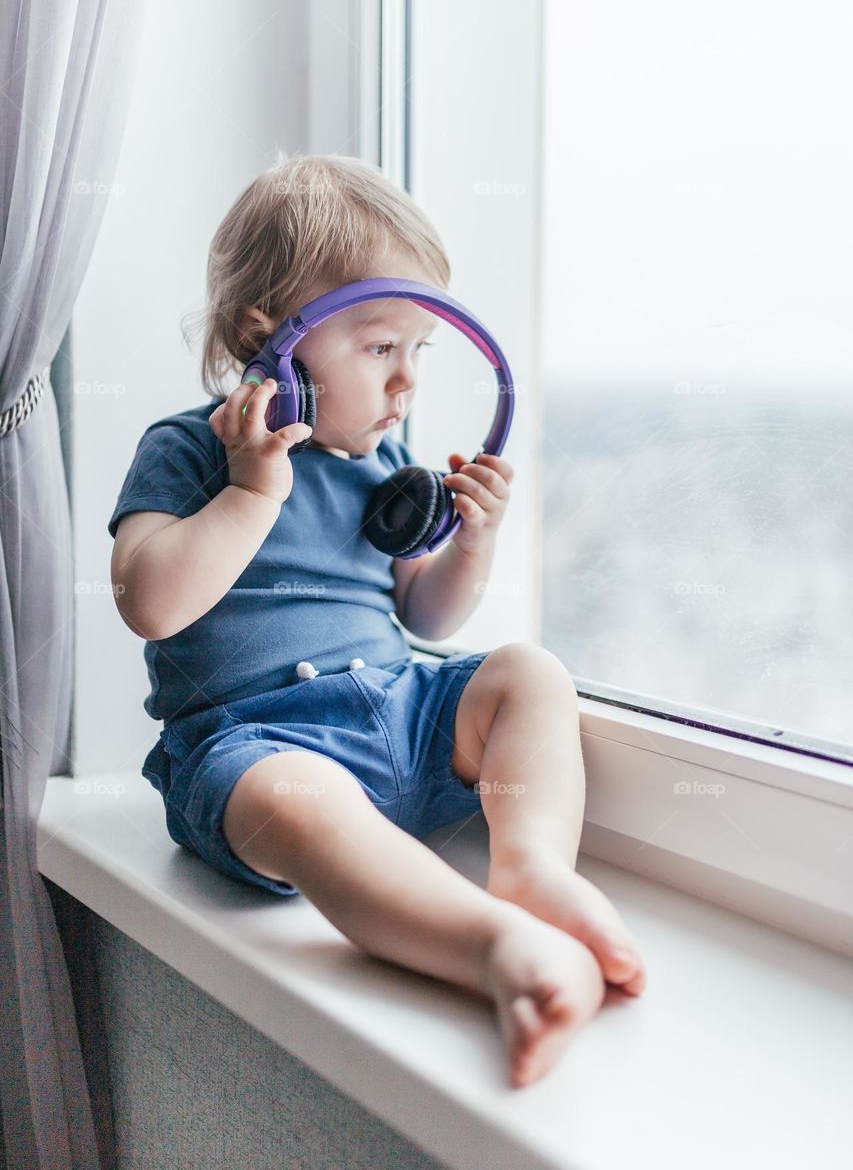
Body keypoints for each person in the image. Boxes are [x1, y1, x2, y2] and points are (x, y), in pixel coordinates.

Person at [109, 153, 646, 1088]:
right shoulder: (189, 449)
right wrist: (249, 493)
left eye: (418, 351)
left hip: (397, 706)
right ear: (271, 338)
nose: (404, 382)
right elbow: (148, 603)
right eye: (377, 347)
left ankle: (529, 867)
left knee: (528, 673)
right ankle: (487, 946)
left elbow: (423, 611)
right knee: (292, 805)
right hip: (259, 749)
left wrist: (469, 545)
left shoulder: (383, 459)